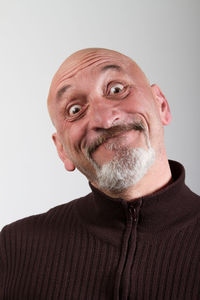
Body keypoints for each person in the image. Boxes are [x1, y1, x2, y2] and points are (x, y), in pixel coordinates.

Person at [0, 48, 200, 300]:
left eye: (117, 89)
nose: (104, 119)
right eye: (74, 110)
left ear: (161, 104)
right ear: (62, 150)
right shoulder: (14, 247)